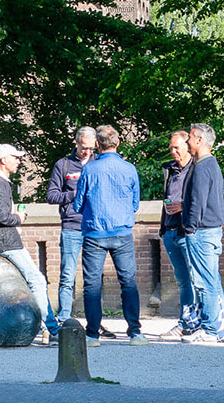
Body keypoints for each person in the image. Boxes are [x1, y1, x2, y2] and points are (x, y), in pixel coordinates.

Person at [0, 143, 59, 343]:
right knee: (36, 280)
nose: (19, 161)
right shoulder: (0, 183)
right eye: (15, 157)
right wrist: (18, 217)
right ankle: (51, 329)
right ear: (3, 160)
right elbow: (2, 217)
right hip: (6, 241)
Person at [73, 125, 147, 347]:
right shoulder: (129, 169)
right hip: (122, 232)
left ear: (98, 144)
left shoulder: (89, 170)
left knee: (92, 284)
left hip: (94, 232)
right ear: (118, 143)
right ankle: (135, 332)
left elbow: (78, 204)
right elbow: (135, 203)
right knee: (128, 282)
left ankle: (93, 334)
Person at [46, 127, 117, 338]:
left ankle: (95, 322)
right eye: (83, 147)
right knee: (67, 276)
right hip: (72, 226)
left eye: (90, 148)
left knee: (93, 278)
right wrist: (75, 193)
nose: (86, 152)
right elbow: (51, 196)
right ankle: (63, 321)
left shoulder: (99, 164)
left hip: (95, 226)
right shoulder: (64, 165)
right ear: (76, 143)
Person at [180, 122, 224, 343]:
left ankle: (210, 329)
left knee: (204, 282)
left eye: (190, 137)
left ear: (199, 140)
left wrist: (189, 229)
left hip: (201, 232)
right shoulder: (212, 165)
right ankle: (219, 328)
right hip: (212, 230)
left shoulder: (201, 167)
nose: (187, 141)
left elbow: (197, 203)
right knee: (212, 280)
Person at [156, 130, 201, 340]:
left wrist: (183, 206)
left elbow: (202, 201)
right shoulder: (170, 170)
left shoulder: (197, 168)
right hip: (170, 231)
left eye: (177, 147)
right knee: (182, 281)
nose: (173, 152)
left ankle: (197, 322)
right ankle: (184, 322)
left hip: (188, 232)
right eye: (171, 148)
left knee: (196, 280)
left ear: (187, 146)